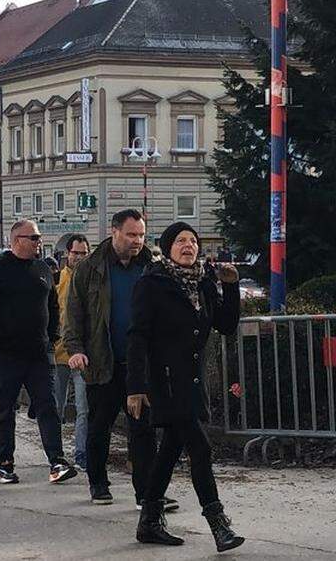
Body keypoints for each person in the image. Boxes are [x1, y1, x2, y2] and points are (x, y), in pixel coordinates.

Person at [128, 222, 243, 552]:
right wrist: (135, 386)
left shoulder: (204, 282)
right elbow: (137, 336)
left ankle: (149, 521)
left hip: (192, 380)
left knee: (169, 452)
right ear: (167, 248)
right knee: (201, 448)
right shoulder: (152, 283)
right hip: (164, 381)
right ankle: (219, 525)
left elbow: (225, 324)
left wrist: (230, 287)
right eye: (180, 241)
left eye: (192, 241)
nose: (188, 246)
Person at [63, 209, 159, 507]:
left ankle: (146, 491)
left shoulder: (151, 267)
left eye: (141, 235)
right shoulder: (90, 268)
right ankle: (98, 484)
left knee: (142, 429)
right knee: (99, 425)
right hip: (102, 360)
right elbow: (74, 314)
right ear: (114, 231)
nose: (137, 241)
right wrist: (75, 349)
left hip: (139, 365)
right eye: (131, 234)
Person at [0, 219, 77, 485]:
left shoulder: (42, 269)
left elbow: (52, 305)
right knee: (6, 409)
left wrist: (52, 336)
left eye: (39, 237)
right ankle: (5, 464)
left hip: (40, 352)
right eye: (34, 237)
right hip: (7, 354)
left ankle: (56, 461)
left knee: (48, 406)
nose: (38, 241)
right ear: (17, 240)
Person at [53, 234, 91, 472]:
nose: (78, 257)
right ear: (67, 253)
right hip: (57, 353)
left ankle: (82, 453)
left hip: (82, 354)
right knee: (55, 408)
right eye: (75, 253)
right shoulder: (56, 278)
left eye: (83, 253)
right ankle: (55, 454)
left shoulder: (91, 281)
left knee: (84, 408)